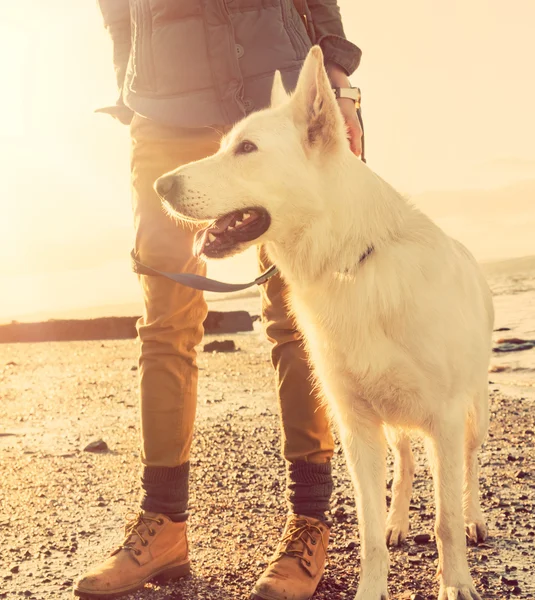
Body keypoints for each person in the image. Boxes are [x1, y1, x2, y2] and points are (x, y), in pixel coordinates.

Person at [75, 1, 362, 598]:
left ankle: (309, 523)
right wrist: (130, 81)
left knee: (297, 314)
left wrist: (341, 89)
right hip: (163, 106)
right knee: (165, 316)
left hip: (277, 98)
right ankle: (164, 525)